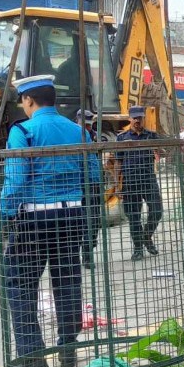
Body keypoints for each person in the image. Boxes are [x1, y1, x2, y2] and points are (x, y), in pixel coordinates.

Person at [0, 75, 97, 367]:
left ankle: (33, 356)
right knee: (67, 281)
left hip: (33, 220)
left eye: (23, 102)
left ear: (28, 100)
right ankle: (68, 345)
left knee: (20, 284)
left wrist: (4, 212)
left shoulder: (23, 131)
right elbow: (93, 177)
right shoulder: (79, 131)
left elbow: (15, 181)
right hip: (71, 215)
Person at [117, 106, 163, 261]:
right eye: (135, 118)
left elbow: (161, 152)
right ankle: (138, 248)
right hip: (130, 181)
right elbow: (118, 162)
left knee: (157, 210)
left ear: (144, 118)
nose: (137, 121)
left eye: (140, 118)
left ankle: (146, 236)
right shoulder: (122, 138)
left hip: (148, 179)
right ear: (130, 119)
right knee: (134, 217)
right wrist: (118, 185)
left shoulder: (151, 135)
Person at [76, 108, 103, 269]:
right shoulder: (73, 135)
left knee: (94, 221)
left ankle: (89, 247)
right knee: (81, 222)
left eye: (88, 125)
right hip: (77, 184)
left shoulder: (94, 135)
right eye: (84, 125)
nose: (86, 128)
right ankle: (85, 255)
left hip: (94, 183)